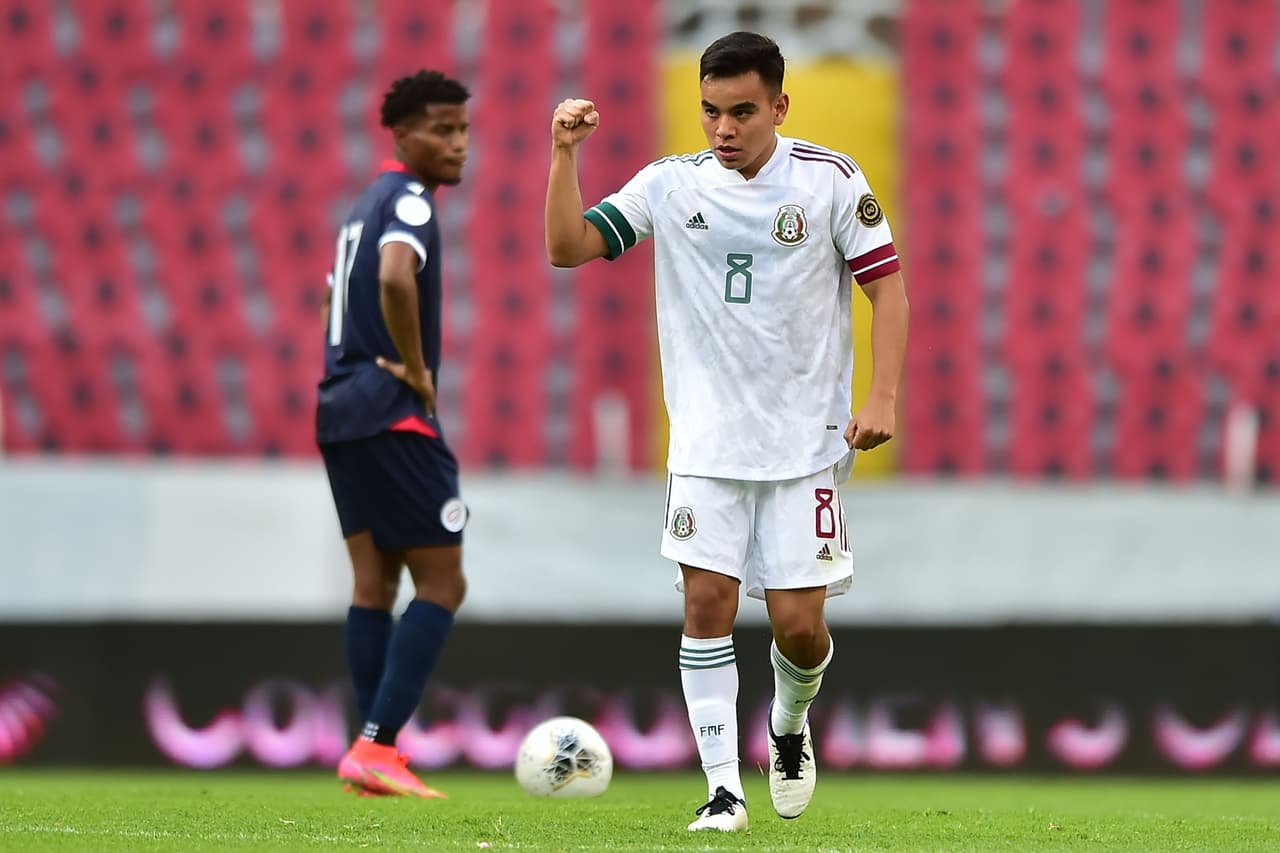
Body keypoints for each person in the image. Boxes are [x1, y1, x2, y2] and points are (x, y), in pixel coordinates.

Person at [545, 32, 909, 831]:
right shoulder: (670, 186)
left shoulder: (831, 182)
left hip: (805, 441)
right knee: (705, 599)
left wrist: (881, 395)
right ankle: (722, 789)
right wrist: (564, 155)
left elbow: (890, 291)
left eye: (743, 111)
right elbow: (567, 247)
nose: (724, 129)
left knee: (799, 628)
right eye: (711, 111)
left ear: (780, 105)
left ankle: (787, 724)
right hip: (707, 444)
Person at [318, 70, 471, 799]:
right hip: (392, 409)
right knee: (443, 580)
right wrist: (416, 370)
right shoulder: (408, 198)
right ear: (402, 135)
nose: (458, 143)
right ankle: (377, 745)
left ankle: (369, 748)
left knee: (373, 581)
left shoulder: (363, 204)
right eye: (443, 130)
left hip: (341, 405)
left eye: (463, 129)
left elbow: (331, 291)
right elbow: (394, 277)